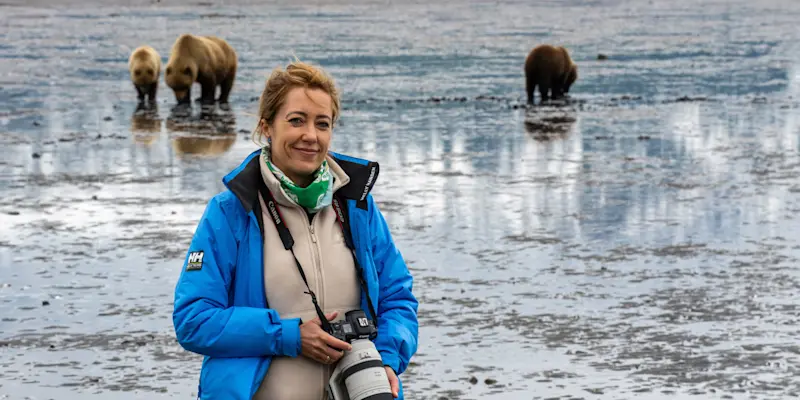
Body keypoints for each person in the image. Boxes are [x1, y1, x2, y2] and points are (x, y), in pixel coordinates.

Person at [172, 60, 419, 399]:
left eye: (323, 123)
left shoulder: (356, 206)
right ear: (266, 127)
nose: (311, 136)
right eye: (296, 120)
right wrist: (288, 336)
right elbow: (194, 319)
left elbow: (398, 297)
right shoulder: (231, 212)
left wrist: (388, 358)